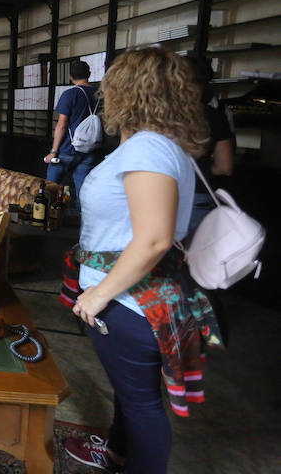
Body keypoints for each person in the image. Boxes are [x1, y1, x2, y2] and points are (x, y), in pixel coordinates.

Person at [63, 48, 224, 474]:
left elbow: (154, 239)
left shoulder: (148, 149)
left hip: (130, 303)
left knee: (142, 406)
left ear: (125, 91)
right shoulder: (160, 146)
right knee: (131, 393)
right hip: (139, 298)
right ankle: (117, 452)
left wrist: (98, 295)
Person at [185, 56, 234, 236]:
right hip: (200, 197)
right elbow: (225, 167)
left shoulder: (161, 115)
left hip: (166, 195)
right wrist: (202, 167)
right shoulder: (216, 116)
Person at [44, 61, 99, 194]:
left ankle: (46, 212)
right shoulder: (100, 95)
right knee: (83, 191)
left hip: (67, 149)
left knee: (50, 188)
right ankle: (81, 214)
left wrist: (54, 151)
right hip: (90, 149)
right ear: (89, 74)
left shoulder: (69, 95)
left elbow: (62, 124)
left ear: (70, 77)